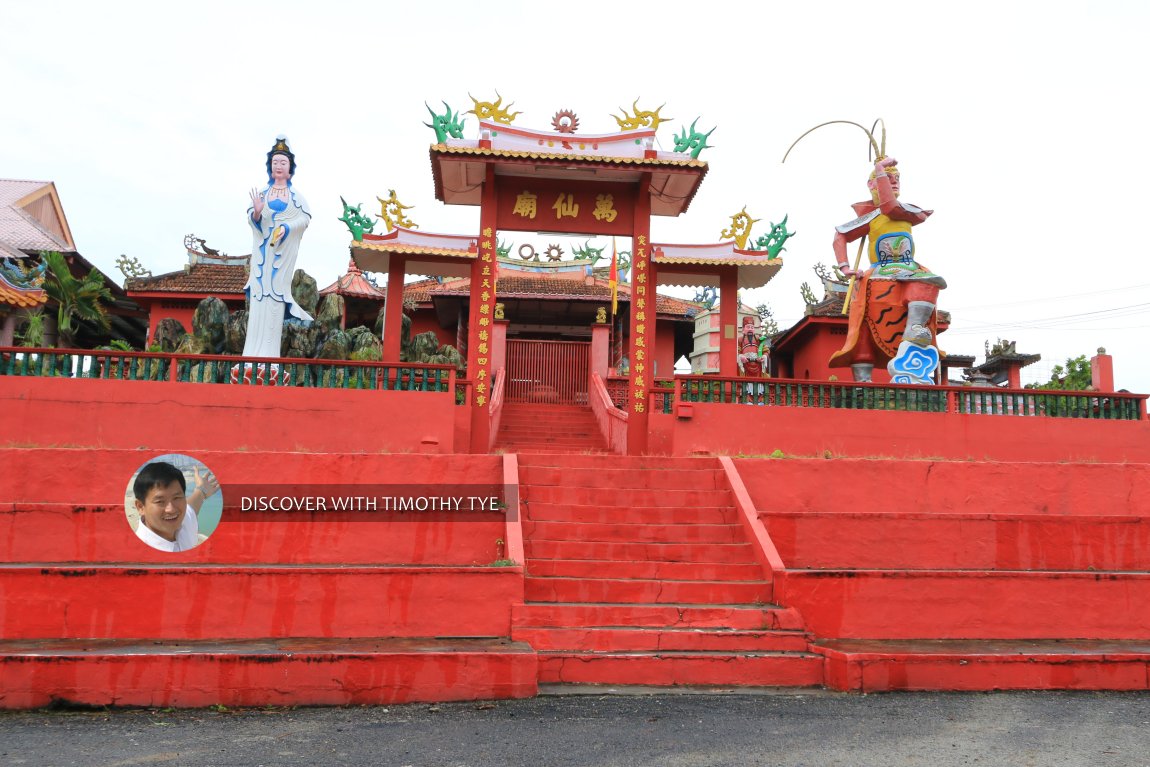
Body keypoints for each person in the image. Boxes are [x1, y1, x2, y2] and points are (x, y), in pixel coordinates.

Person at [829, 156, 946, 384]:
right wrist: (845, 266)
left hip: (908, 269)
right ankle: (863, 384)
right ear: (872, 185)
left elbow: (891, 206)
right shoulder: (872, 218)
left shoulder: (906, 212)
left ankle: (914, 329)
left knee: (929, 281)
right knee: (862, 332)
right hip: (878, 271)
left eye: (897, 178)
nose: (894, 182)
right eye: (888, 178)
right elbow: (840, 236)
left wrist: (881, 171)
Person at [243, 135, 313, 358]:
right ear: (269, 167)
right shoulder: (263, 194)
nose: (279, 166)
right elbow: (254, 220)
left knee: (274, 302)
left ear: (290, 168)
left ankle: (270, 356)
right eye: (275, 163)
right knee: (258, 301)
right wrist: (256, 212)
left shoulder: (297, 198)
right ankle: (250, 355)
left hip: (280, 260)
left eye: (283, 163)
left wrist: (287, 228)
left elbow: (304, 220)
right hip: (263, 259)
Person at [132, 461, 220, 552]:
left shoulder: (183, 521)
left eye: (177, 498)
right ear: (140, 507)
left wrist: (202, 489)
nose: (171, 509)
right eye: (160, 501)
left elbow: (193, 505)